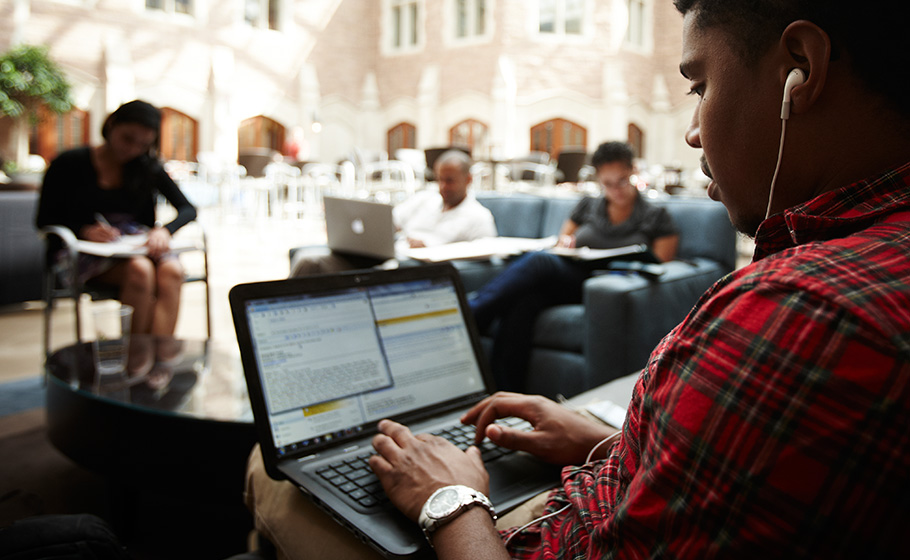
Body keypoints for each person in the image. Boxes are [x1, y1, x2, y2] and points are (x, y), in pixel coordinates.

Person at [245, 0, 910, 557]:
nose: (692, 133)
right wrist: (613, 442)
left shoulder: (796, 310)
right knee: (533, 279)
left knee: (271, 472)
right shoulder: (873, 266)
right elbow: (759, 473)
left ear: (802, 70)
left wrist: (449, 498)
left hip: (513, 532)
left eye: (700, 85)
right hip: (583, 446)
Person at [469, 141, 679, 390]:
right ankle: (502, 392)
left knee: (539, 261)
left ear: (633, 171)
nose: (616, 190)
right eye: (608, 184)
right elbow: (563, 241)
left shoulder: (656, 215)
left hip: (608, 285)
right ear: (599, 179)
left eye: (622, 181)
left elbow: (660, 265)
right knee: (522, 303)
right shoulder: (588, 205)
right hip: (573, 275)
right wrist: (568, 245)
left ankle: (471, 315)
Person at [36, 100, 197, 336]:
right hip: (80, 251)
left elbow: (187, 209)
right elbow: (44, 218)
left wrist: (165, 230)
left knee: (173, 270)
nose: (133, 149)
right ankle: (137, 360)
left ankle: (159, 359)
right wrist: (84, 230)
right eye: (128, 139)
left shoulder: (146, 167)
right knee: (141, 271)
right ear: (111, 125)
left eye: (143, 144)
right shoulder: (68, 163)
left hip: (135, 246)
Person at [290, 149, 497, 276]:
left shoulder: (478, 217)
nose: (443, 186)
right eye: (439, 179)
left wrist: (430, 247)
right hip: (382, 258)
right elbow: (389, 221)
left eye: (450, 180)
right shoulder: (425, 198)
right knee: (307, 260)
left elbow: (488, 259)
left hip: (410, 271)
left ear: (468, 179)